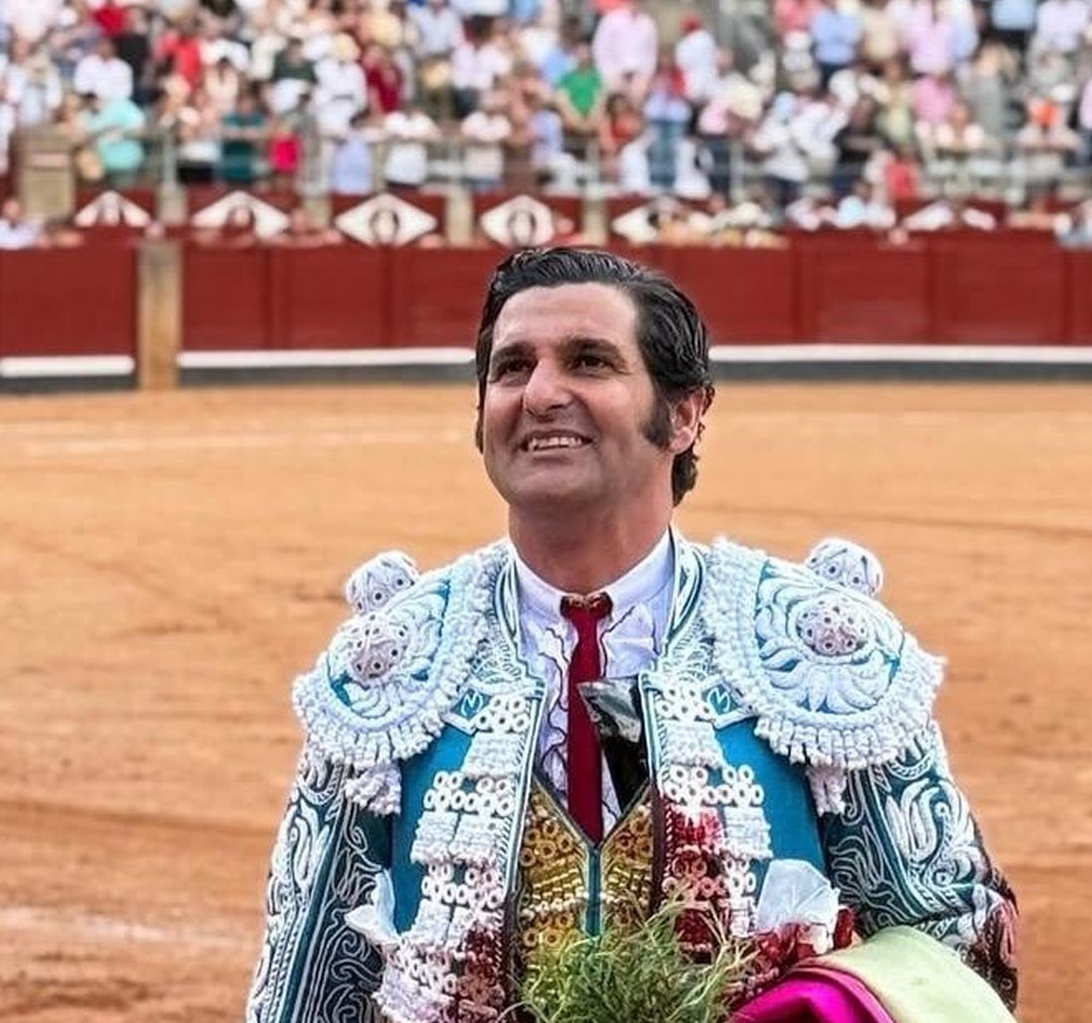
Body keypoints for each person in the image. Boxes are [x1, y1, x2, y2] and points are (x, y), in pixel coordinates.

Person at [242, 248, 1020, 1023]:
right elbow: (305, 986)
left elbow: (956, 947)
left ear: (683, 415)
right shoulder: (392, 662)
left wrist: (816, 1011)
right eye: (512, 368)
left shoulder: (819, 647)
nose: (541, 393)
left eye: (588, 361)